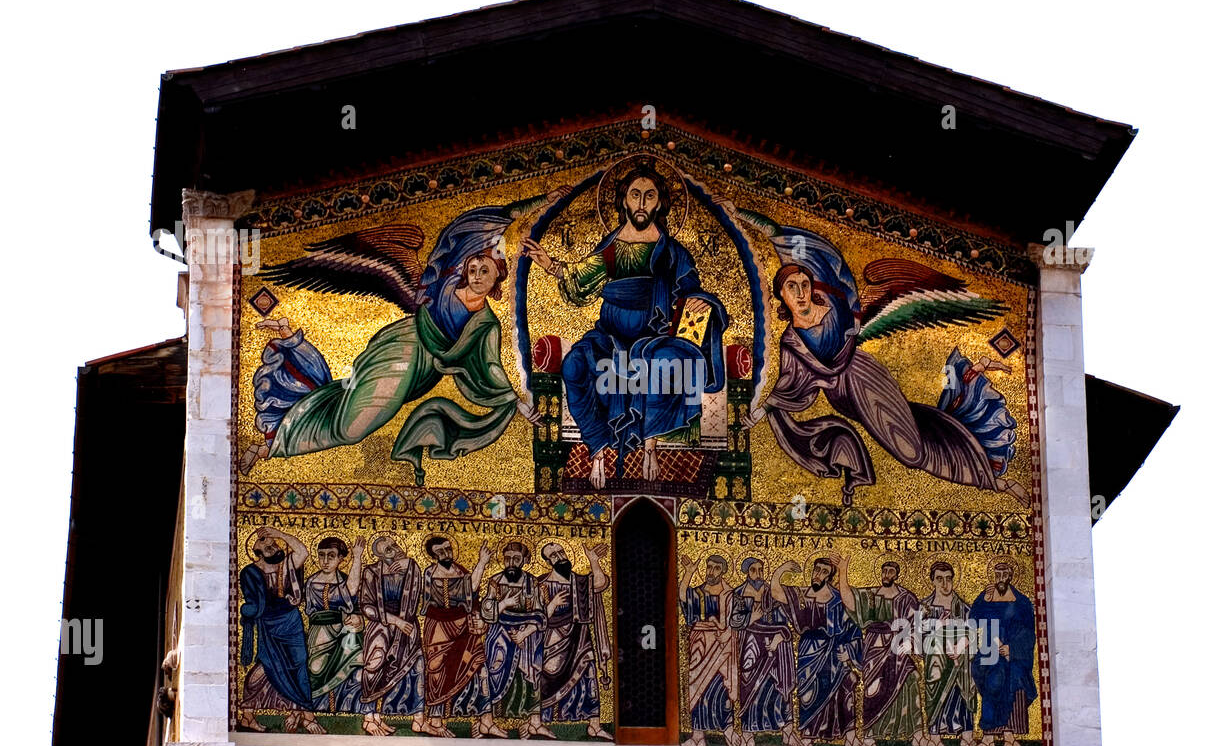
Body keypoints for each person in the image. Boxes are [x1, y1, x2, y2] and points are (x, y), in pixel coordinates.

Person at [241, 194, 562, 483]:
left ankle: (291, 361)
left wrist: (516, 402)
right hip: (401, 351)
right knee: (352, 428)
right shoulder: (442, 285)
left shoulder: (486, 324)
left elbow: (490, 367)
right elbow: (480, 226)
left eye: (485, 271)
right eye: (474, 267)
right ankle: (273, 444)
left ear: (496, 279)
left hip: (422, 375)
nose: (477, 275)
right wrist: (540, 201)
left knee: (348, 410)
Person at [735, 216, 1026, 507]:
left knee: (911, 452)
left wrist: (750, 219)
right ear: (781, 296)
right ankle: (986, 472)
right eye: (790, 287)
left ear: (812, 287)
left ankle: (994, 481)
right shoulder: (792, 341)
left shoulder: (834, 313)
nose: (800, 293)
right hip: (843, 398)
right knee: (913, 441)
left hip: (865, 378)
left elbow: (805, 252)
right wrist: (762, 412)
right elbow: (791, 382)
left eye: (804, 284)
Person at [523, 163, 729, 486]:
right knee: (575, 365)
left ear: (660, 203)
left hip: (655, 337)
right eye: (636, 195)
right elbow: (581, 278)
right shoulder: (612, 250)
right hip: (611, 337)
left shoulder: (672, 254)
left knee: (666, 363)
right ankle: (598, 449)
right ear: (624, 202)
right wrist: (550, 264)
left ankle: (650, 446)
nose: (643, 203)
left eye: (650, 196)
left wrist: (704, 302)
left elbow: (691, 291)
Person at [842, 560, 945, 746]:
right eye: (885, 571)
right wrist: (842, 571)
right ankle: (870, 738)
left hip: (899, 647)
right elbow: (850, 601)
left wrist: (912, 644)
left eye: (891, 571)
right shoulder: (871, 595)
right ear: (880, 573)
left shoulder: (906, 597)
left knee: (911, 679)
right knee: (872, 691)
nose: (887, 574)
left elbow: (915, 624)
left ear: (897, 574)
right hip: (875, 648)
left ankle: (917, 735)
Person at [237, 528, 324, 734]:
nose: (274, 548)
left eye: (274, 545)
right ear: (258, 553)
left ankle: (308, 716)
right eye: (267, 547)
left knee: (300, 664)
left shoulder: (286, 565)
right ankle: (248, 715)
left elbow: (302, 552)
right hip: (269, 625)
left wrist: (279, 534)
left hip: (291, 622)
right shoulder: (250, 572)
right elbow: (254, 602)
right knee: (267, 665)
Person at [771, 554, 862, 746]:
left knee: (844, 689)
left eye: (823, 572)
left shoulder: (838, 599)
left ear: (829, 577)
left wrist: (849, 654)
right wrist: (782, 569)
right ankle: (808, 737)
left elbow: (852, 623)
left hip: (834, 652)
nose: (818, 575)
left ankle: (850, 739)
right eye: (816, 570)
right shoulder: (803, 595)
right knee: (807, 695)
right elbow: (776, 593)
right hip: (808, 652)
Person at [417, 537, 497, 739]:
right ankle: (435, 721)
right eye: (440, 551)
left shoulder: (461, 571)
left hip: (463, 627)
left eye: (447, 549)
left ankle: (484, 720)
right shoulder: (429, 573)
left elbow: (472, 590)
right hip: (438, 628)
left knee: (479, 666)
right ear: (433, 556)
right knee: (436, 671)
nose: (446, 553)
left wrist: (482, 562)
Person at [536, 541, 613, 739]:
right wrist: (551, 605)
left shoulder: (578, 581)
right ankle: (542, 721)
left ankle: (593, 724)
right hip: (551, 640)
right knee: (547, 678)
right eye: (553, 555)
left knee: (588, 674)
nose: (560, 557)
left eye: (561, 552)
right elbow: (534, 616)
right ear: (547, 561)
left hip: (579, 638)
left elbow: (600, 584)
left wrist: (593, 561)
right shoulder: (541, 584)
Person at [477, 541, 551, 739]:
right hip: (499, 634)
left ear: (525, 561)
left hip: (526, 637)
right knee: (494, 671)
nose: (511, 563)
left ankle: (533, 723)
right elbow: (487, 612)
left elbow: (541, 615)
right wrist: (504, 603)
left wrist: (524, 634)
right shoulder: (495, 581)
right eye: (507, 558)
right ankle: (487, 722)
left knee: (531, 672)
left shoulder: (532, 583)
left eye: (516, 559)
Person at [357, 535, 424, 736]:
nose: (394, 550)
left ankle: (419, 720)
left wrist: (407, 567)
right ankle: (370, 717)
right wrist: (395, 621)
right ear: (379, 556)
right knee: (374, 666)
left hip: (408, 626)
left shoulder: (410, 568)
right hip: (381, 626)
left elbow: (417, 592)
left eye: (394, 545)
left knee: (417, 667)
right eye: (388, 549)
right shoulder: (371, 572)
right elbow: (366, 607)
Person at [968, 562, 1037, 746]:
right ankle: (991, 739)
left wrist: (1012, 649)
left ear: (1010, 576)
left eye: (1004, 574)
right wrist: (985, 601)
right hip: (990, 650)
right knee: (988, 672)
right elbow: (973, 619)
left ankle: (1006, 738)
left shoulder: (1021, 602)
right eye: (997, 574)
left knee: (1010, 678)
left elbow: (1029, 633)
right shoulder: (986, 596)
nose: (1000, 578)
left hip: (1013, 657)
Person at [728, 556, 797, 746]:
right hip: (750, 643)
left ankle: (787, 731)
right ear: (747, 572)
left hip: (774, 645)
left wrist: (779, 637)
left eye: (760, 569)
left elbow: (786, 620)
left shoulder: (773, 592)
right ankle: (748, 733)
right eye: (754, 570)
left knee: (777, 685)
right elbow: (734, 621)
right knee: (749, 683)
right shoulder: (739, 593)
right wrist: (752, 617)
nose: (758, 573)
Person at [678, 553, 740, 746]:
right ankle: (697, 735)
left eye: (715, 568)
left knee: (720, 688)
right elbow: (682, 597)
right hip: (700, 645)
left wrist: (728, 632)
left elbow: (739, 620)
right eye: (709, 567)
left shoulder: (730, 595)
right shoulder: (698, 592)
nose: (711, 571)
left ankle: (727, 729)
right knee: (697, 688)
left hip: (722, 647)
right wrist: (688, 573)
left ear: (723, 571)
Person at [303, 535, 367, 714]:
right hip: (319, 635)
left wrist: (358, 557)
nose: (325, 561)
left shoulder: (345, 581)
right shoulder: (310, 582)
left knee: (355, 662)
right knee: (315, 669)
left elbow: (352, 593)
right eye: (321, 555)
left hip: (343, 632)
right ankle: (314, 711)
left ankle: (345, 708)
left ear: (340, 558)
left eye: (331, 556)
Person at [920, 561, 978, 746]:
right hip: (936, 658)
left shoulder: (963, 608)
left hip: (960, 659)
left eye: (948, 579)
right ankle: (935, 736)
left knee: (965, 684)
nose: (945, 584)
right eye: (939, 579)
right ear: (932, 581)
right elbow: (916, 634)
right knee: (936, 685)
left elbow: (974, 633)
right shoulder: (925, 608)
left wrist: (961, 647)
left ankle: (967, 734)